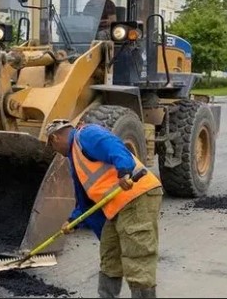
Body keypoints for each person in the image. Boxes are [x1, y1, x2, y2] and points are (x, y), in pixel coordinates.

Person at [45, 119, 163, 298]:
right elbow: (86, 200)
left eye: (53, 147)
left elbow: (114, 146)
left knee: (137, 256)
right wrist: (73, 220)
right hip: (116, 206)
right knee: (110, 255)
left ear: (54, 138)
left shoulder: (86, 135)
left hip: (136, 196)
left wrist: (124, 171)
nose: (56, 152)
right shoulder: (75, 158)